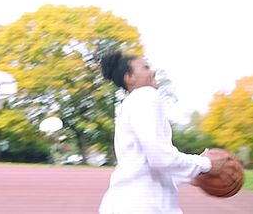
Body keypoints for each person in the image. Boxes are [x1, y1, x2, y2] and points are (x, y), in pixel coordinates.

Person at [99, 50, 230, 214]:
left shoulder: (130, 104)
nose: (152, 71)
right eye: (145, 68)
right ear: (130, 78)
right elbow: (161, 158)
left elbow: (148, 164)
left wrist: (191, 175)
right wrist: (206, 165)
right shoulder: (146, 95)